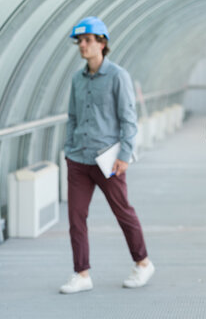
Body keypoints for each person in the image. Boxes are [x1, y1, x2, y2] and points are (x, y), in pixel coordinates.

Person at [60, 16, 154, 294]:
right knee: (76, 218)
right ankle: (81, 273)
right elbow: (72, 117)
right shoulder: (77, 79)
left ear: (102, 43)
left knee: (122, 212)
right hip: (78, 159)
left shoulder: (117, 76)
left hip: (108, 160)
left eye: (87, 40)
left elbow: (129, 120)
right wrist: (68, 149)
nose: (82, 46)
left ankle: (143, 263)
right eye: (80, 41)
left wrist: (124, 155)